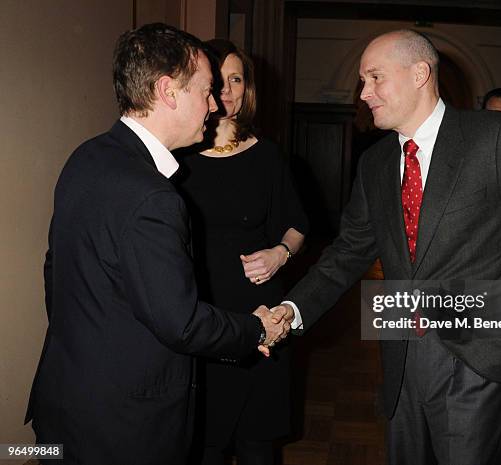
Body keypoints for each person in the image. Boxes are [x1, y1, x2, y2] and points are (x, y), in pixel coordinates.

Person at [275, 30, 501, 464]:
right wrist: (291, 310)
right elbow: (347, 253)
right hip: (400, 354)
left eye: (374, 77)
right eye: (362, 81)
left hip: (478, 359)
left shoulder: (495, 137)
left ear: (420, 73)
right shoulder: (376, 163)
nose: (365, 93)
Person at [25, 23, 290, 465]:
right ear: (168, 91)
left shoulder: (87, 156)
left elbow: (57, 271)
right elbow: (180, 323)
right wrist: (258, 329)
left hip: (66, 401)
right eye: (206, 91)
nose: (213, 105)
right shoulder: (153, 196)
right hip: (124, 426)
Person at [176, 39, 308, 465]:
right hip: (202, 313)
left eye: (237, 79)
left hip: (260, 310)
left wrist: (280, 254)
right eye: (219, 80)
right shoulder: (178, 156)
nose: (228, 90)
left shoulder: (266, 154)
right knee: (205, 443)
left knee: (257, 443)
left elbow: (298, 223)